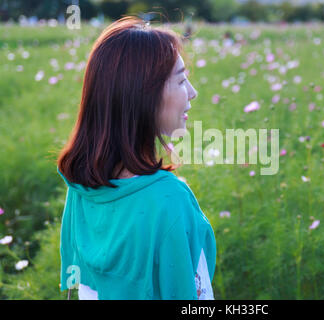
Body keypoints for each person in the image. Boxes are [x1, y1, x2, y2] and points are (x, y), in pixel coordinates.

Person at [56, 16, 216, 300]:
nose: (193, 92)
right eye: (180, 80)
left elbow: (77, 282)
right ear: (144, 97)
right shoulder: (170, 200)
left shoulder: (81, 185)